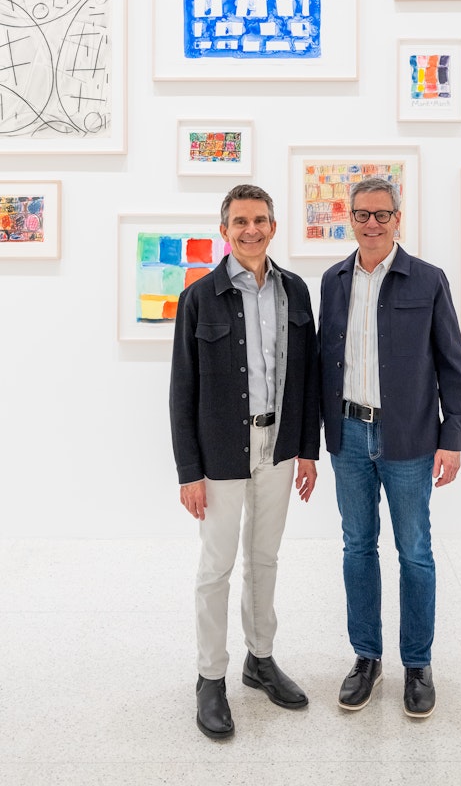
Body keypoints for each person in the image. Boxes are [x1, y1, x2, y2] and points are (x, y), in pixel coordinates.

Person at [318, 175, 461, 719]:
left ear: (397, 219)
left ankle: (417, 665)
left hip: (409, 438)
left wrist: (452, 435)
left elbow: (453, 363)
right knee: (357, 549)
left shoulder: (428, 280)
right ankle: (366, 658)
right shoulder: (333, 281)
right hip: (348, 436)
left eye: (382, 214)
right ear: (350, 219)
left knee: (415, 553)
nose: (372, 223)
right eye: (362, 214)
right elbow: (323, 362)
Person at [170, 184, 320, 740]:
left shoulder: (295, 291)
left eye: (259, 220)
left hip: (278, 447)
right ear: (224, 230)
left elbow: (307, 377)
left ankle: (261, 659)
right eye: (240, 221)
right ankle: (211, 677)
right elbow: (181, 390)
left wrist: (308, 450)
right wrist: (189, 472)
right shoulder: (199, 297)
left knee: (264, 558)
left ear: (273, 228)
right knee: (216, 567)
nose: (250, 230)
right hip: (220, 453)